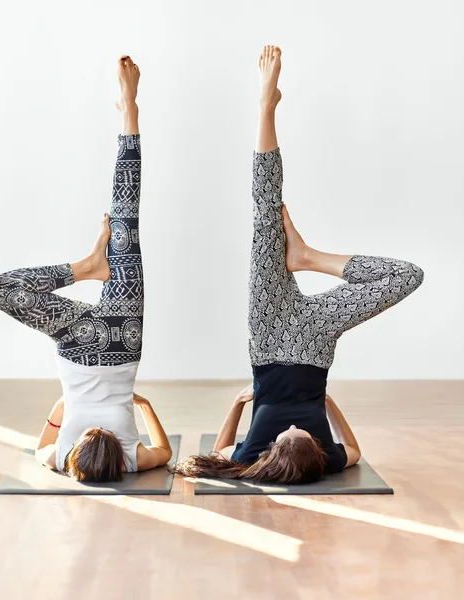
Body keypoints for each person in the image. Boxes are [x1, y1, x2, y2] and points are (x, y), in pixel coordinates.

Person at [173, 45, 424, 485]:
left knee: (266, 214)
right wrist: (326, 404)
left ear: (273, 447)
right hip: (310, 336)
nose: (295, 428)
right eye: (304, 433)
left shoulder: (256, 456)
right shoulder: (322, 458)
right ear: (312, 446)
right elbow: (357, 452)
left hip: (271, 331)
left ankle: (265, 107)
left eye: (288, 433)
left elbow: (218, 452)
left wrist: (236, 406)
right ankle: (308, 257)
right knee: (407, 276)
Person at [0, 56, 172, 482]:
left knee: (126, 217)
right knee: (0, 289)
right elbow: (41, 449)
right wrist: (59, 413)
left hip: (122, 339)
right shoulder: (63, 456)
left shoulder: (128, 458)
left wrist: (142, 407)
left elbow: (161, 451)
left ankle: (129, 111)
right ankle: (85, 266)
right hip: (77, 343)